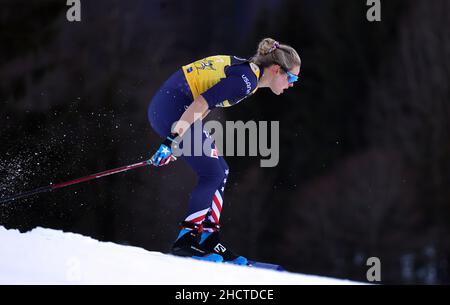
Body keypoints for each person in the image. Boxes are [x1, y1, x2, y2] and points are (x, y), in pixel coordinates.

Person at [147, 38, 301, 265]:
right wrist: (172, 140)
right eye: (292, 77)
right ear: (277, 69)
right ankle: (185, 242)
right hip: (171, 107)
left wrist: (182, 141)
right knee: (213, 173)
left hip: (175, 106)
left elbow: (206, 105)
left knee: (221, 168)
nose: (292, 84)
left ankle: (209, 238)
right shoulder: (246, 80)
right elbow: (201, 102)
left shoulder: (251, 76)